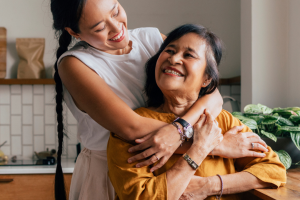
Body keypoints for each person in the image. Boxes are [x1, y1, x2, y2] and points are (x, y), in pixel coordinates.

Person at [50, 0, 269, 199]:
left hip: (166, 166)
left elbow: (212, 94)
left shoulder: (152, 39)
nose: (117, 28)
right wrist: (215, 145)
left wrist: (179, 128)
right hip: (111, 172)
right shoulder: (73, 64)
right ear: (74, 32)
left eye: (116, 11)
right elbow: (131, 127)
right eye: (99, 27)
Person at [107, 24, 286, 200]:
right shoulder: (131, 127)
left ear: (207, 78)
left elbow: (273, 170)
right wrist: (199, 149)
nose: (174, 59)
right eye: (169, 50)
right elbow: (141, 197)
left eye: (188, 55)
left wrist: (209, 186)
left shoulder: (222, 120)